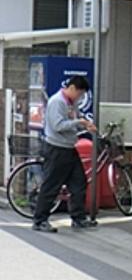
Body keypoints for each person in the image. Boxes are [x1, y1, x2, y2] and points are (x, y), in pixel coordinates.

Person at [32, 75, 98, 233]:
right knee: (52, 185)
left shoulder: (71, 103)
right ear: (72, 88)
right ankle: (40, 220)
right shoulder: (57, 102)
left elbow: (73, 121)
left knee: (79, 182)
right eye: (79, 94)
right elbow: (58, 126)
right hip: (56, 148)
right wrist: (79, 123)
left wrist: (84, 125)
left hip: (69, 148)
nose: (80, 98)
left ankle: (78, 218)